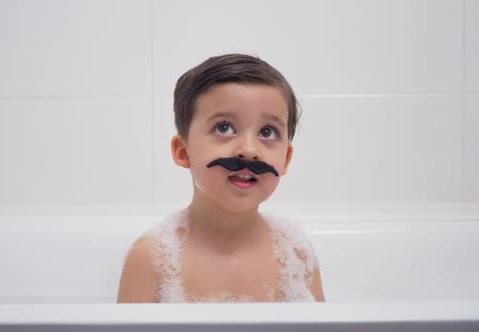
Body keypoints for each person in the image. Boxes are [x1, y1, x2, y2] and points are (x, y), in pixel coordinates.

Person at [117, 54, 325, 303]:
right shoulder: (151, 259)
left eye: (267, 132)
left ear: (286, 160)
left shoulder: (296, 253)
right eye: (224, 127)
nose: (249, 149)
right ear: (184, 152)